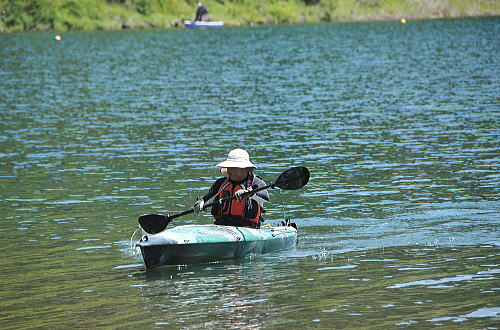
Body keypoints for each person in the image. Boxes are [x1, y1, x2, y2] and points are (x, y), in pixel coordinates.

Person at [193, 149, 269, 228]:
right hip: (221, 227)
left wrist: (249, 193)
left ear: (247, 168)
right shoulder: (220, 183)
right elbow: (207, 199)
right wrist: (201, 202)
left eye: (235, 167)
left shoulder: (256, 182)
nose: (231, 171)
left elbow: (265, 198)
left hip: (248, 229)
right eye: (230, 167)